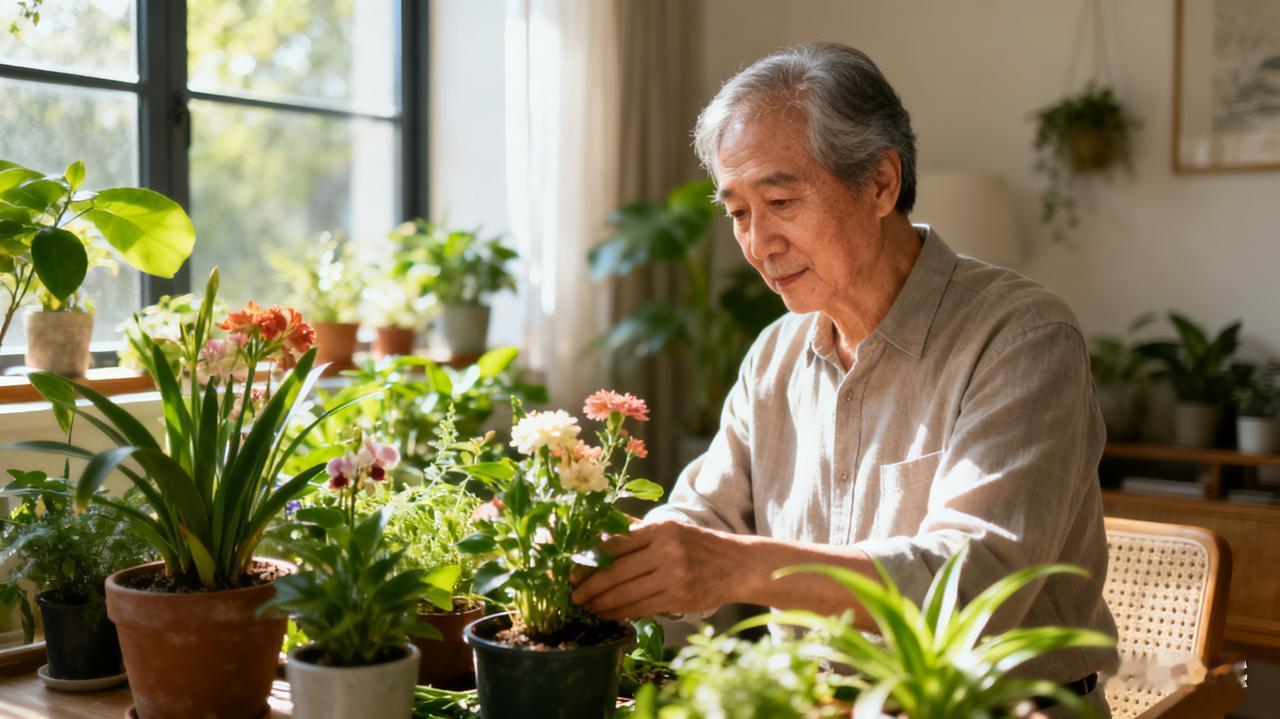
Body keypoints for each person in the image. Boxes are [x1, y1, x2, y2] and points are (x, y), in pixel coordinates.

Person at [570, 42, 1118, 715]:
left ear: (881, 184)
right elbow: (703, 516)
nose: (758, 243)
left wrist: (738, 565)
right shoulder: (774, 354)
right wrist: (603, 559)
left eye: (780, 199)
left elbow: (973, 590)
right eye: (739, 212)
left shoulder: (1022, 339)